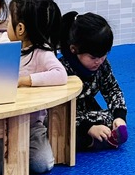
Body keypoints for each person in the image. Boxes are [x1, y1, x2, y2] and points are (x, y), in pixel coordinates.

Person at [0, 0, 69, 175]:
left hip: (32, 125)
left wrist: (23, 81)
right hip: (2, 122)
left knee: (43, 164)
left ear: (20, 29)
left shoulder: (42, 53)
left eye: (9, 21)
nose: (6, 25)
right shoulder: (5, 45)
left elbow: (60, 75)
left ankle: (24, 148)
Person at [53, 12, 129, 151]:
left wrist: (119, 117)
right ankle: (91, 141)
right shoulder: (62, 70)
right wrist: (89, 128)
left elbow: (112, 90)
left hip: (88, 110)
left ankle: (99, 138)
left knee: (109, 119)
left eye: (103, 55)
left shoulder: (102, 65)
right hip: (65, 114)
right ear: (74, 49)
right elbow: (60, 109)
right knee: (59, 133)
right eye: (93, 57)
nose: (99, 61)